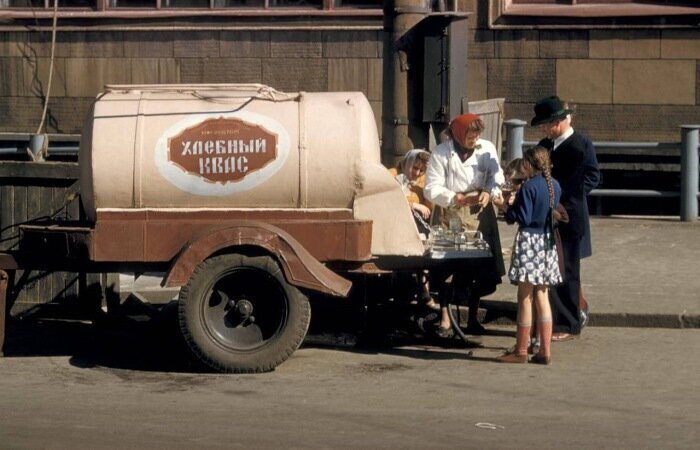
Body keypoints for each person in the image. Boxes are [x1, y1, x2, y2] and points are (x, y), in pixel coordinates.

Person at [424, 113, 506, 336]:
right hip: (450, 213)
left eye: (478, 133)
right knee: (446, 268)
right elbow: (430, 188)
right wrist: (454, 198)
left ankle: (472, 317)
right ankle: (445, 318)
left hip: (479, 215)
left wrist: (490, 191)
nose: (476, 138)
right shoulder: (442, 153)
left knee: (477, 268)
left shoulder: (486, 148)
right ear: (459, 133)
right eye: (471, 134)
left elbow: (497, 177)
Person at [531, 96, 600, 341]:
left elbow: (592, 176)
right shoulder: (545, 145)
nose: (543, 130)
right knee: (552, 270)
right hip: (548, 215)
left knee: (568, 270)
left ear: (558, 122)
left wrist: (572, 197)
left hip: (569, 214)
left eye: (545, 124)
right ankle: (553, 320)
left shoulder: (580, 144)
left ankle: (569, 323)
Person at [496, 146, 562, 364]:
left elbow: (521, 218)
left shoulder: (528, 187)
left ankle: (521, 350)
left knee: (525, 297)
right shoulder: (555, 185)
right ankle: (545, 350)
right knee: (542, 296)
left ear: (528, 164)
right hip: (546, 242)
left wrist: (505, 206)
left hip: (529, 241)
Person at [389, 149, 440, 311]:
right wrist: (413, 205)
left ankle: (425, 294)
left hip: (416, 226)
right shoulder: (392, 175)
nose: (417, 173)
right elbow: (387, 199)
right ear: (407, 163)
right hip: (393, 226)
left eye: (421, 170)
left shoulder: (423, 181)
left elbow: (429, 207)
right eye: (414, 168)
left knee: (423, 258)